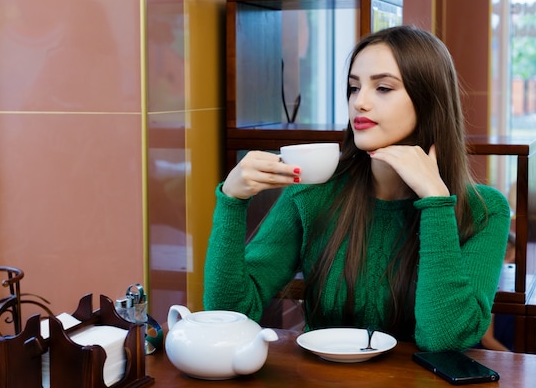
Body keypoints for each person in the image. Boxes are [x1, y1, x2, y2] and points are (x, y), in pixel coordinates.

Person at [203, 25, 511, 352]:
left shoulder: (485, 210)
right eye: (353, 87)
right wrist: (232, 202)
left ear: (428, 100)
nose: (359, 103)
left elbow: (443, 339)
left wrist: (435, 201)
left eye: (383, 88)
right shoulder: (312, 192)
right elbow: (229, 313)